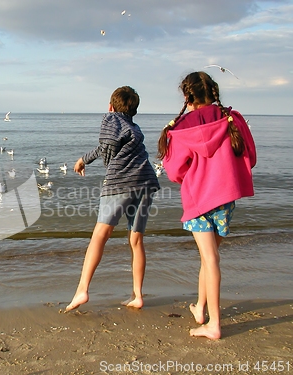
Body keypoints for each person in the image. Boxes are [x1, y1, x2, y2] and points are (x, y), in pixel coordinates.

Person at [157, 71, 256, 339]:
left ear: (187, 95)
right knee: (208, 256)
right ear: (213, 91)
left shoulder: (181, 128)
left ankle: (213, 325)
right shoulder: (232, 118)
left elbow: (175, 171)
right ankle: (200, 307)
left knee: (210, 258)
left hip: (199, 199)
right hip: (226, 198)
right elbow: (250, 155)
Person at [66, 86, 160, 312]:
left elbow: (107, 145)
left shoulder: (110, 119)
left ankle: (82, 290)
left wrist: (108, 163)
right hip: (145, 181)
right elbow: (107, 146)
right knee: (136, 240)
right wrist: (84, 159)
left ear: (110, 106)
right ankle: (137, 295)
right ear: (134, 110)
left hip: (121, 182)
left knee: (99, 235)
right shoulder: (133, 128)